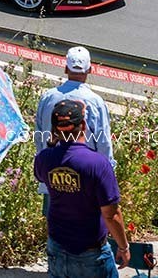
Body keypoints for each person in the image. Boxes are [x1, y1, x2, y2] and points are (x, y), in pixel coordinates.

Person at [34, 100, 131, 278]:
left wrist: (51, 143)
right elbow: (111, 214)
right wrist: (124, 247)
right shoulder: (97, 164)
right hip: (91, 253)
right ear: (84, 125)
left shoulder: (44, 158)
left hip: (57, 247)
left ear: (55, 129)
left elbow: (40, 175)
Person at [36, 47, 114, 210]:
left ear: (65, 69)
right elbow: (103, 142)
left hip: (53, 175)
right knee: (85, 227)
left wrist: (43, 164)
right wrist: (106, 173)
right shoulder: (95, 102)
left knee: (55, 226)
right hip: (85, 177)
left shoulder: (48, 97)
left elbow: (39, 136)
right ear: (90, 70)